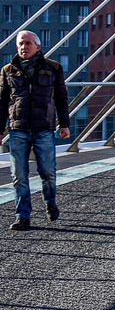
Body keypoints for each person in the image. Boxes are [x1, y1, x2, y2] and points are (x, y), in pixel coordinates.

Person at [0, 29, 70, 230]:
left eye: (28, 43)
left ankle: (50, 201)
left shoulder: (53, 68)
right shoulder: (8, 70)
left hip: (43, 128)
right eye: (21, 43)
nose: (24, 47)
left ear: (38, 46)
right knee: (19, 175)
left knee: (47, 171)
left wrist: (64, 124)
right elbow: (2, 101)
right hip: (17, 129)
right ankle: (22, 215)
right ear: (17, 46)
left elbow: (61, 98)